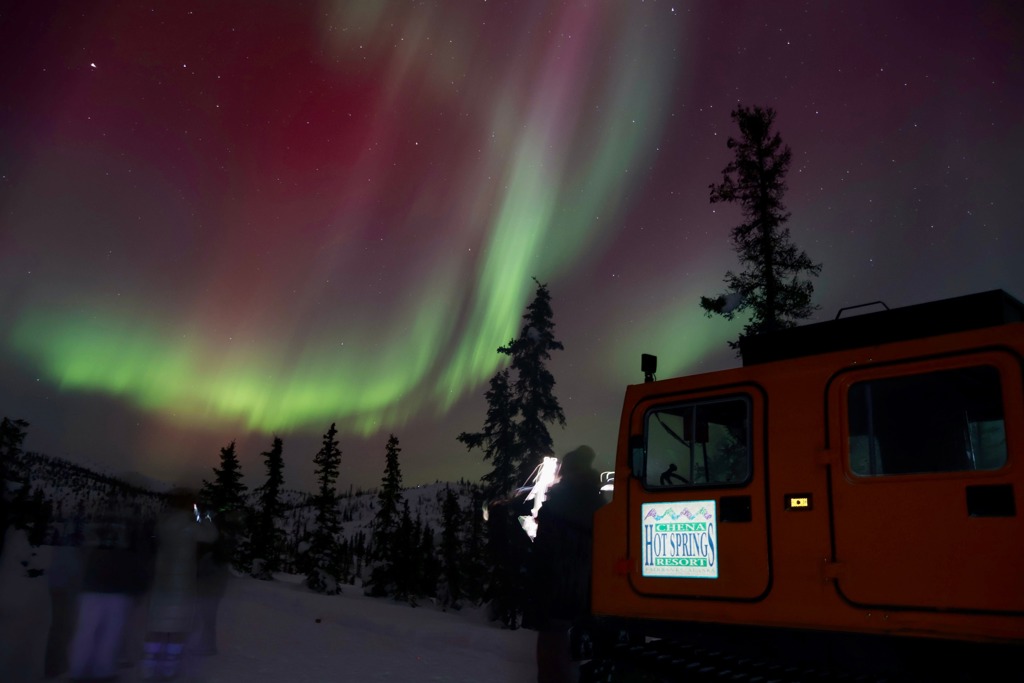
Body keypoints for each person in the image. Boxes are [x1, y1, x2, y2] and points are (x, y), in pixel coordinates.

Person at [530, 446, 605, 683]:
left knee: (552, 652)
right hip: (583, 591)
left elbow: (546, 550)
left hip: (557, 590)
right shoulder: (597, 502)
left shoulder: (559, 503)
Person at [66, 508, 153, 681]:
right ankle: (101, 670)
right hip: (117, 588)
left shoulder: (95, 525)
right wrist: (139, 587)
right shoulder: (133, 531)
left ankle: (79, 670)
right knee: (110, 633)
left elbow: (81, 551)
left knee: (87, 632)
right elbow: (139, 560)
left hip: (93, 585)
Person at [143, 488, 217, 681]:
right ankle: (169, 668)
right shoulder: (190, 525)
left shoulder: (163, 523)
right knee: (176, 628)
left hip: (161, 582)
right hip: (182, 585)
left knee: (157, 626)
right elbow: (211, 535)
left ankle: (149, 666)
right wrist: (204, 517)